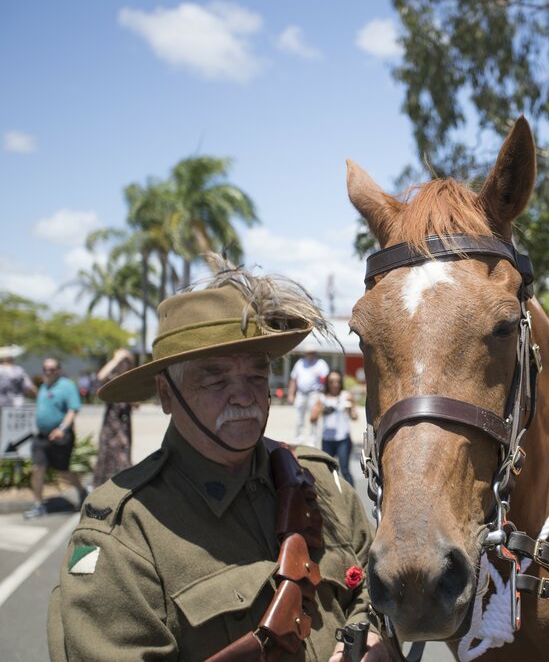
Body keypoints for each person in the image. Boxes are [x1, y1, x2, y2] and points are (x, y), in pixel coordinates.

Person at [48, 255, 388, 661]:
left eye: (256, 375)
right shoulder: (127, 533)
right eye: (215, 378)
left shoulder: (319, 482)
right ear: (166, 393)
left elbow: (378, 588)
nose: (244, 396)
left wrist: (368, 639)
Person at [25, 358, 86, 519]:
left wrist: (61, 429)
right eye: (45, 369)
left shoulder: (67, 386)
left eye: (52, 369)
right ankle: (38, 505)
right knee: (37, 469)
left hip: (60, 436)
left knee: (63, 472)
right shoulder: (44, 387)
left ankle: (82, 492)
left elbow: (73, 410)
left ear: (59, 370)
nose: (48, 372)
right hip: (41, 437)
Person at [90, 348, 135, 487]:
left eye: (125, 362)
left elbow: (137, 401)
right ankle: (104, 488)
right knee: (106, 455)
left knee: (123, 456)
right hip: (110, 424)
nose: (123, 364)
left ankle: (124, 487)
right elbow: (100, 376)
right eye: (121, 362)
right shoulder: (112, 379)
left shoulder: (131, 380)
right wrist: (116, 359)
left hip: (123, 424)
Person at [311, 371, 358, 486]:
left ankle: (351, 499)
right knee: (327, 471)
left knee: (345, 470)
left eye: (337, 381)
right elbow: (312, 419)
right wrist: (321, 410)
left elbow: (355, 417)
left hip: (343, 439)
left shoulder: (346, 396)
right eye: (332, 381)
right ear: (327, 382)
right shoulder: (322, 398)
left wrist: (350, 409)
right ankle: (331, 498)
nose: (335, 384)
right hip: (327, 439)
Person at [288, 348, 329, 447]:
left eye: (311, 353)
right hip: (301, 394)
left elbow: (325, 380)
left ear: (314, 353)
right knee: (299, 418)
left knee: (313, 418)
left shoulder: (320, 364)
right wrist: (291, 394)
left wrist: (323, 396)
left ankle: (312, 442)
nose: (309, 355)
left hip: (314, 394)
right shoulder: (300, 363)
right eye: (307, 353)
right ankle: (298, 439)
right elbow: (293, 379)